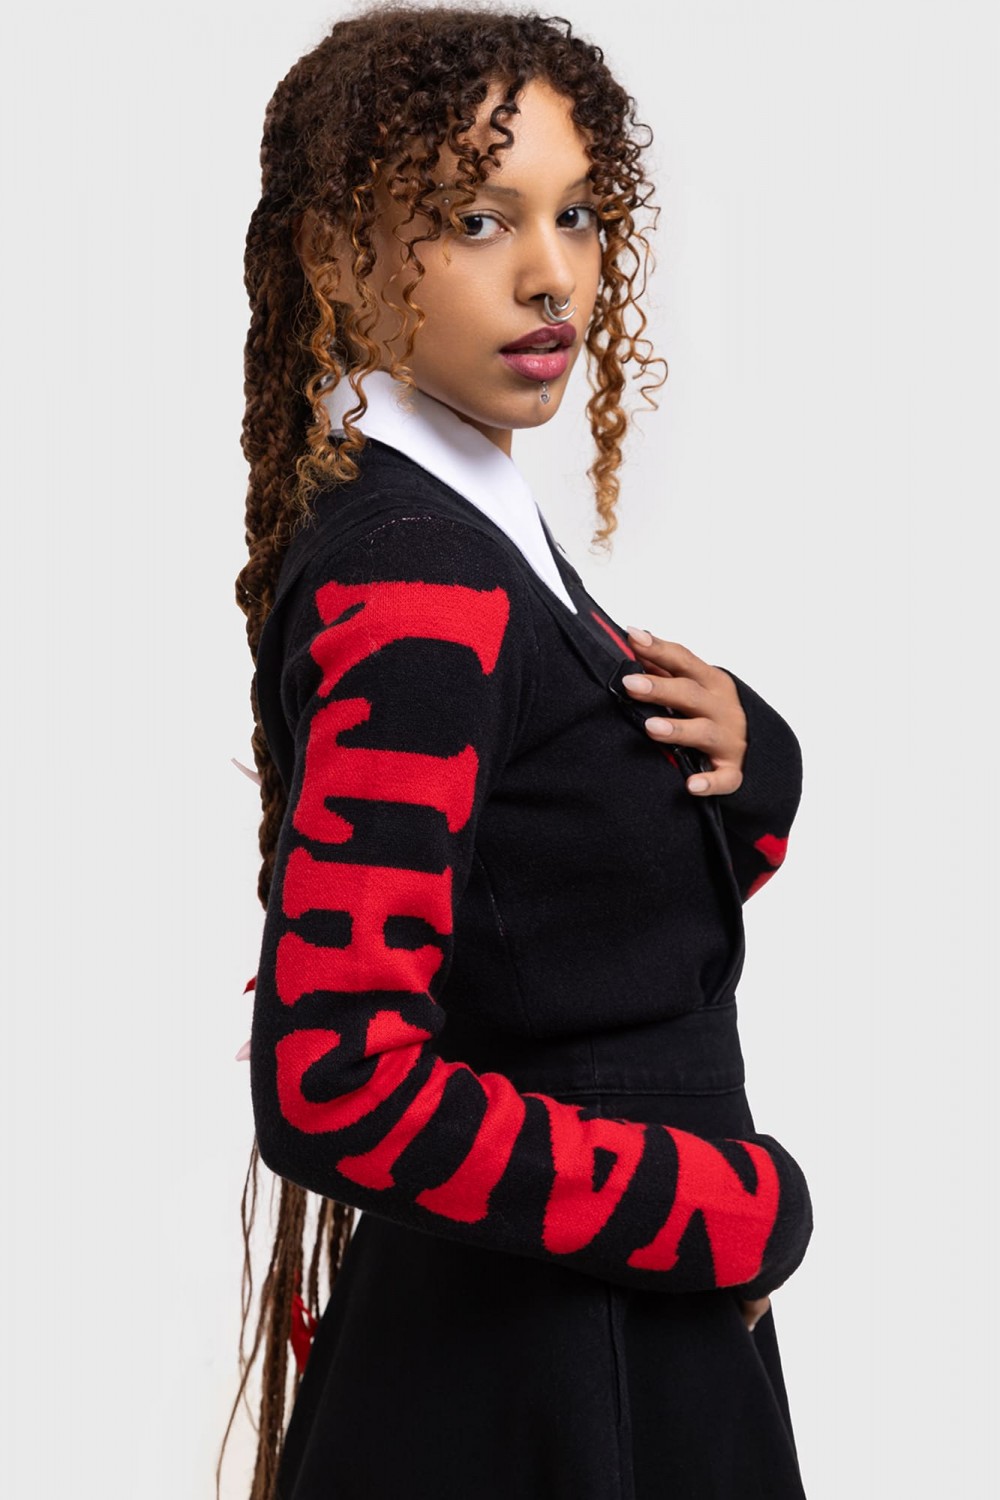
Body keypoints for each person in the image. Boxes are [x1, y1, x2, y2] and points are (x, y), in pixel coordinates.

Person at [221, 7, 814, 1499]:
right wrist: (724, 1211)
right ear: (335, 256)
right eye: (478, 221)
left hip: (596, 1338)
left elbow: (563, 915)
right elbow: (336, 1081)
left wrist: (757, 762)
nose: (553, 272)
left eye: (578, 213)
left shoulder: (469, 528)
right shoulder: (417, 573)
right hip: (551, 1372)